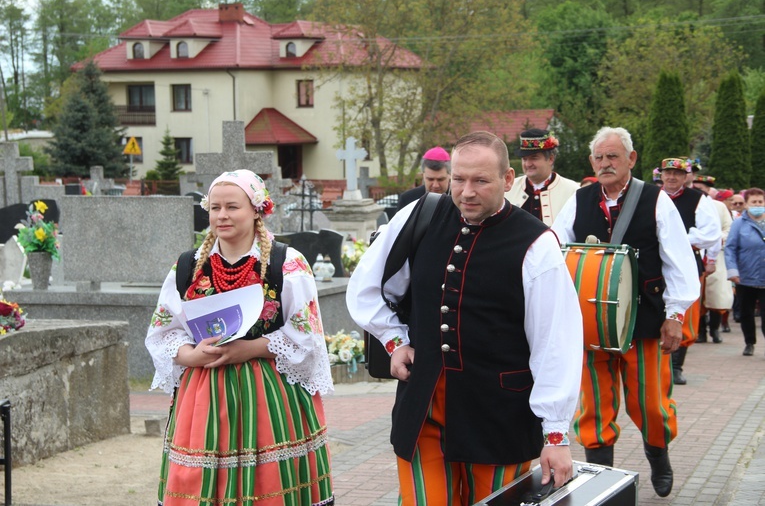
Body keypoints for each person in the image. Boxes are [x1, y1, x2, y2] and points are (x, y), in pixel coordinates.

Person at [348, 131, 582, 505]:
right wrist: (395, 341)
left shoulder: (536, 244)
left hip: (498, 417)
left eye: (480, 181)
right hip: (422, 406)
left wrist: (556, 435)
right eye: (458, 179)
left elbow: (556, 343)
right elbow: (368, 286)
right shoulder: (421, 215)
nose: (466, 192)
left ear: (508, 180)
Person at [145, 170, 335, 505]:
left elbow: (306, 334)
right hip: (204, 391)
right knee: (202, 482)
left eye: (232, 207)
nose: (221, 215)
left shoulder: (285, 263)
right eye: (215, 207)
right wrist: (190, 355)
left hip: (270, 390)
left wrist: (250, 349)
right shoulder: (189, 266)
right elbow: (165, 329)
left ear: (256, 210)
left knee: (267, 483)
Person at [552, 127, 699, 498]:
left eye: (613, 156)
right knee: (594, 409)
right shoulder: (579, 200)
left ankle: (659, 456)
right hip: (590, 326)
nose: (605, 163)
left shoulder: (655, 200)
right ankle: (602, 483)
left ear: (631, 159)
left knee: (650, 403)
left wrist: (675, 315)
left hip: (644, 321)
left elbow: (679, 262)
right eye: (599, 158)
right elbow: (553, 249)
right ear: (591, 162)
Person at [659, 158, 721, 384]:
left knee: (686, 312)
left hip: (687, 262)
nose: (672, 177)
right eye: (668, 173)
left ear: (686, 177)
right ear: (661, 175)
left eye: (677, 173)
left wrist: (678, 240)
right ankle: (657, 361)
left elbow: (711, 233)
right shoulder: (652, 197)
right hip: (655, 263)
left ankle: (676, 365)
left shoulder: (699, 200)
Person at [505, 128, 579, 226]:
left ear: (551, 159)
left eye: (534, 158)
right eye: (524, 159)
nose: (528, 164)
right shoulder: (508, 188)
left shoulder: (572, 191)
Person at [692, 175, 734, 343]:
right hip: (695, 255)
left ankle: (715, 329)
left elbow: (728, 228)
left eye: (702, 188)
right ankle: (700, 330)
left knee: (715, 297)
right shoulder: (689, 203)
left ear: (708, 190)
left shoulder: (718, 207)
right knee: (698, 297)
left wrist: (716, 238)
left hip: (715, 255)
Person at [725, 187, 765, 356]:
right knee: (746, 312)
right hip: (745, 276)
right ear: (747, 204)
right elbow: (730, 248)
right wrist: (733, 271)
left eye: (760, 202)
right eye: (754, 202)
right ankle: (749, 342)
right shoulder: (739, 224)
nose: (757, 205)